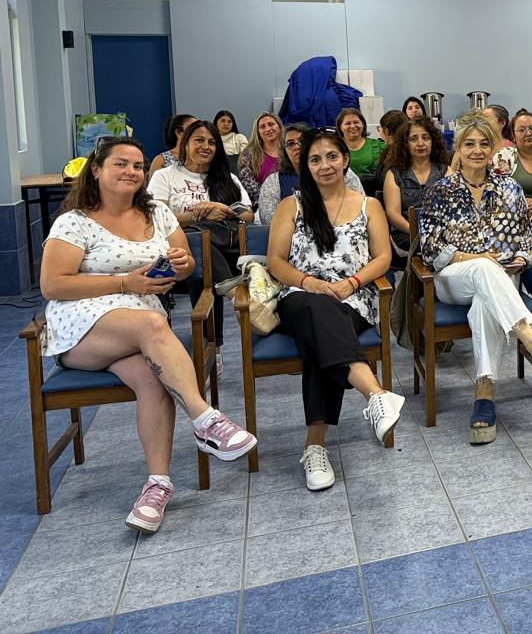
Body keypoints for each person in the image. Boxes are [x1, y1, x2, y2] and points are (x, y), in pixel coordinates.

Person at [40, 137, 256, 533]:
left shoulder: (157, 213)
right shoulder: (75, 221)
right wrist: (125, 283)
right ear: (96, 170)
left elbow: (185, 264)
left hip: (141, 330)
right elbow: (53, 284)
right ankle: (205, 419)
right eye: (121, 164)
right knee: (153, 325)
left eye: (138, 166)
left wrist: (181, 263)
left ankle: (158, 485)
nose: (132, 172)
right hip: (83, 329)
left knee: (152, 379)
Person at [418, 113, 532, 445]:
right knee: (484, 270)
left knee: (485, 303)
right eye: (469, 144)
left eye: (484, 144)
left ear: (494, 148)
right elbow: (430, 249)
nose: (477, 150)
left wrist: (521, 258)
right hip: (452, 277)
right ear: (458, 149)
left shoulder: (510, 187)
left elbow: (527, 239)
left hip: (500, 278)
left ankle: (484, 391)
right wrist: (476, 259)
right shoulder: (440, 191)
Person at [266, 130, 403, 491]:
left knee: (321, 334)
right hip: (299, 295)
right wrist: (309, 282)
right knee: (316, 311)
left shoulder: (369, 205)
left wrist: (352, 282)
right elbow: (275, 261)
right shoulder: (291, 205)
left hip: (353, 298)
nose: (324, 165)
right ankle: (375, 394)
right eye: (315, 159)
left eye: (331, 157)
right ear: (306, 166)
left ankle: (315, 447)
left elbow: (383, 257)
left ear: (345, 160)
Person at [148, 120, 254, 370]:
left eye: (212, 142)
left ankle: (211, 348)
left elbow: (248, 215)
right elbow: (155, 218)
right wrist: (198, 215)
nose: (206, 146)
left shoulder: (227, 178)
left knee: (199, 250)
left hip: (228, 246)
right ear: (185, 143)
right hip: (183, 253)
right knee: (197, 248)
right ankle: (230, 298)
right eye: (199, 140)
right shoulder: (165, 176)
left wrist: (220, 207)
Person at [259, 122, 362, 226]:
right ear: (284, 151)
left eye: (301, 141)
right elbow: (269, 219)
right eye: (290, 144)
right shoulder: (273, 181)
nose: (297, 147)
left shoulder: (339, 171)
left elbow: (359, 206)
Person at [383, 117, 448, 256]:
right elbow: (393, 214)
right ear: (405, 144)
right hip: (406, 234)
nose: (420, 143)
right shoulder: (394, 174)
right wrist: (417, 232)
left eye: (426, 138)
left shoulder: (446, 172)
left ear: (433, 141)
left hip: (441, 233)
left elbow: (452, 210)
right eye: (413, 139)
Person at [238, 112, 284, 206]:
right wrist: (271, 201)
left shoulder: (290, 151)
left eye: (271, 124)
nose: (268, 129)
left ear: (279, 127)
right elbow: (250, 187)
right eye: (263, 127)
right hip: (262, 204)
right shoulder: (248, 155)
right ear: (258, 132)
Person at [337, 107, 384, 183]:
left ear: (363, 124)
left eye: (356, 122)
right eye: (348, 123)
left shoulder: (378, 145)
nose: (353, 126)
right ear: (340, 127)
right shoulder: (334, 148)